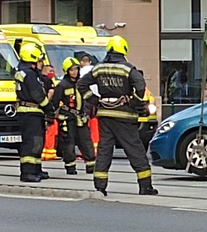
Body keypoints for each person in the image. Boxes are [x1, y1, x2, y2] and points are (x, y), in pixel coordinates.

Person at [77, 36, 158, 196]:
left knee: (104, 150)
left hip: (105, 115)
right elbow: (140, 85)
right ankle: (145, 186)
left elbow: (81, 84)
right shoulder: (127, 69)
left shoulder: (99, 68)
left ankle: (100, 186)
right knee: (135, 150)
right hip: (124, 116)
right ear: (124, 50)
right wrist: (135, 102)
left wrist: (95, 101)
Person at [15, 44, 54, 182]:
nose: (41, 63)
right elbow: (37, 94)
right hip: (30, 112)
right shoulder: (30, 75)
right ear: (32, 60)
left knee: (37, 142)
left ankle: (36, 169)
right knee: (31, 142)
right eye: (39, 60)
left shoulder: (28, 73)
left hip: (32, 112)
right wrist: (49, 108)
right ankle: (27, 172)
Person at [51, 57, 96, 175]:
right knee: (68, 143)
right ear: (67, 71)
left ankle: (91, 165)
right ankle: (70, 167)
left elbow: (89, 98)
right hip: (67, 118)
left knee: (86, 142)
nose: (74, 72)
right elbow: (55, 103)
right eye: (72, 70)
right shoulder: (62, 85)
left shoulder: (82, 83)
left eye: (76, 69)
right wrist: (50, 116)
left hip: (81, 118)